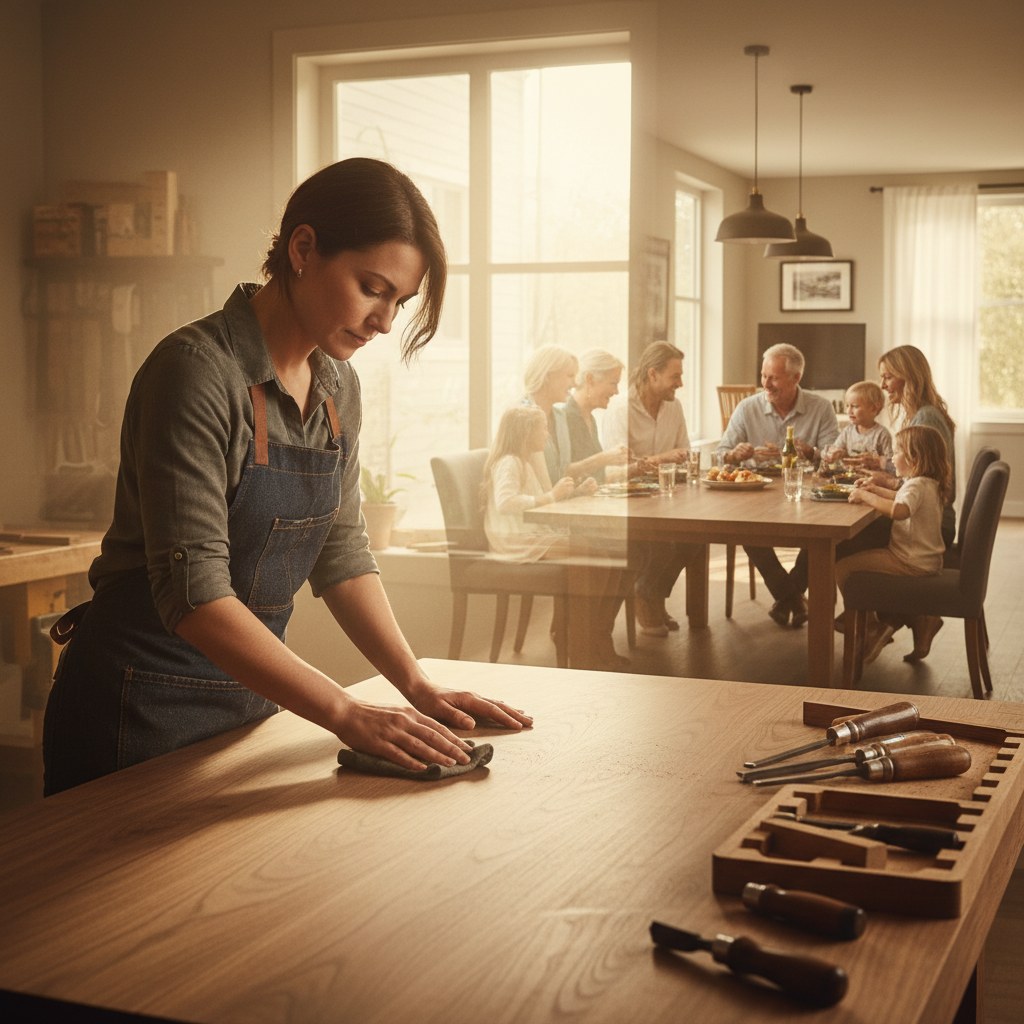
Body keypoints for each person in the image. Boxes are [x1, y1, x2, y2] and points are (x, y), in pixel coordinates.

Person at [42, 158, 531, 797]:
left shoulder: (337, 387)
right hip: (135, 707)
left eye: (400, 302)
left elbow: (344, 555)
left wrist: (417, 686)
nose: (386, 321)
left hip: (250, 707)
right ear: (303, 248)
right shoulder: (193, 373)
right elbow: (195, 595)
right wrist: (345, 713)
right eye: (372, 288)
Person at [834, 344, 957, 660]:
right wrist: (886, 478)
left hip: (931, 526)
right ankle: (915, 616)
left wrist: (883, 482)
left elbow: (930, 483)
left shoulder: (926, 416)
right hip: (928, 516)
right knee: (853, 537)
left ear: (908, 377)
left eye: (889, 377)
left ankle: (871, 620)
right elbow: (920, 479)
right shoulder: (923, 412)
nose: (884, 384)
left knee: (846, 543)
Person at [482, 405, 625, 671]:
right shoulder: (509, 462)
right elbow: (505, 502)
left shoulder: (524, 461)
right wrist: (551, 497)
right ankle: (581, 643)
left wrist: (576, 492)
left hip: (528, 534)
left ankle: (595, 632)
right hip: (513, 539)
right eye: (542, 428)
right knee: (587, 552)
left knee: (607, 558)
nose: (547, 434)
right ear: (526, 433)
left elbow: (542, 501)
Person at [716, 343, 840, 628]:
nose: (765, 384)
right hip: (757, 491)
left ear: (796, 378)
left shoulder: (820, 408)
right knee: (745, 529)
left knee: (823, 535)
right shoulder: (747, 408)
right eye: (763, 376)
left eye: (773, 377)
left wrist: (810, 452)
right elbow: (721, 451)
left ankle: (788, 597)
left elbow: (834, 460)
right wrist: (735, 454)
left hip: (806, 494)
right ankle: (792, 597)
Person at [602, 342, 701, 637]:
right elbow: (611, 471)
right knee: (664, 542)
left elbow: (684, 450)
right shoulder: (621, 409)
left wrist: (669, 463)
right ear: (653, 374)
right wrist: (657, 461)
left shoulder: (674, 406)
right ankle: (647, 597)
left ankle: (649, 593)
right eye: (675, 376)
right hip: (627, 500)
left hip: (664, 496)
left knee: (695, 540)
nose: (680, 384)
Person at [836, 425, 950, 665]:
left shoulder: (916, 485)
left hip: (907, 561)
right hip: (926, 560)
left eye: (897, 451)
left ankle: (872, 627)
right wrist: (875, 489)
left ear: (914, 458)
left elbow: (900, 510)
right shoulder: (929, 483)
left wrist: (867, 496)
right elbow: (903, 500)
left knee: (843, 567)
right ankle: (879, 621)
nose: (891, 457)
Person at [561, 348, 631, 484]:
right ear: (590, 379)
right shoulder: (565, 417)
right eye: (613, 383)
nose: (616, 392)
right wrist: (604, 458)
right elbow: (561, 473)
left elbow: (595, 477)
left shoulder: (590, 418)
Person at [521, 345, 578, 484]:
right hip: (531, 504)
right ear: (548, 375)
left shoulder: (560, 416)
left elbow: (561, 474)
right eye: (570, 376)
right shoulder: (522, 416)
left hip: (554, 502)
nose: (575, 383)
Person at [822, 380, 893, 465]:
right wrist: (834, 453)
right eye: (847, 406)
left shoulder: (882, 434)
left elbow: (890, 463)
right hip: (848, 476)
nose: (849, 411)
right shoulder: (848, 431)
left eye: (854, 406)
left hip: (871, 477)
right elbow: (834, 448)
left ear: (874, 409)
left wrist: (877, 461)